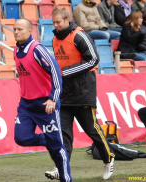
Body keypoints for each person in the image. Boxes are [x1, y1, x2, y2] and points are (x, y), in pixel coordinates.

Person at [45, 7, 115, 181]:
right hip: (65, 94)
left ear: (67, 20)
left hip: (83, 91)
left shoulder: (79, 35)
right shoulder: (55, 39)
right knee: (63, 134)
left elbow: (93, 60)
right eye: (53, 22)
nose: (56, 25)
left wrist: (66, 72)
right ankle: (60, 167)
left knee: (92, 130)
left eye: (58, 22)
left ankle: (108, 158)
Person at [13, 18, 72, 182]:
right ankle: (49, 139)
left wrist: (53, 98)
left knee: (57, 149)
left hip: (46, 105)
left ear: (29, 31)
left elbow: (56, 72)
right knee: (21, 138)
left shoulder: (37, 49)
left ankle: (66, 179)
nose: (16, 32)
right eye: (14, 29)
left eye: (19, 29)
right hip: (26, 105)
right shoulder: (15, 50)